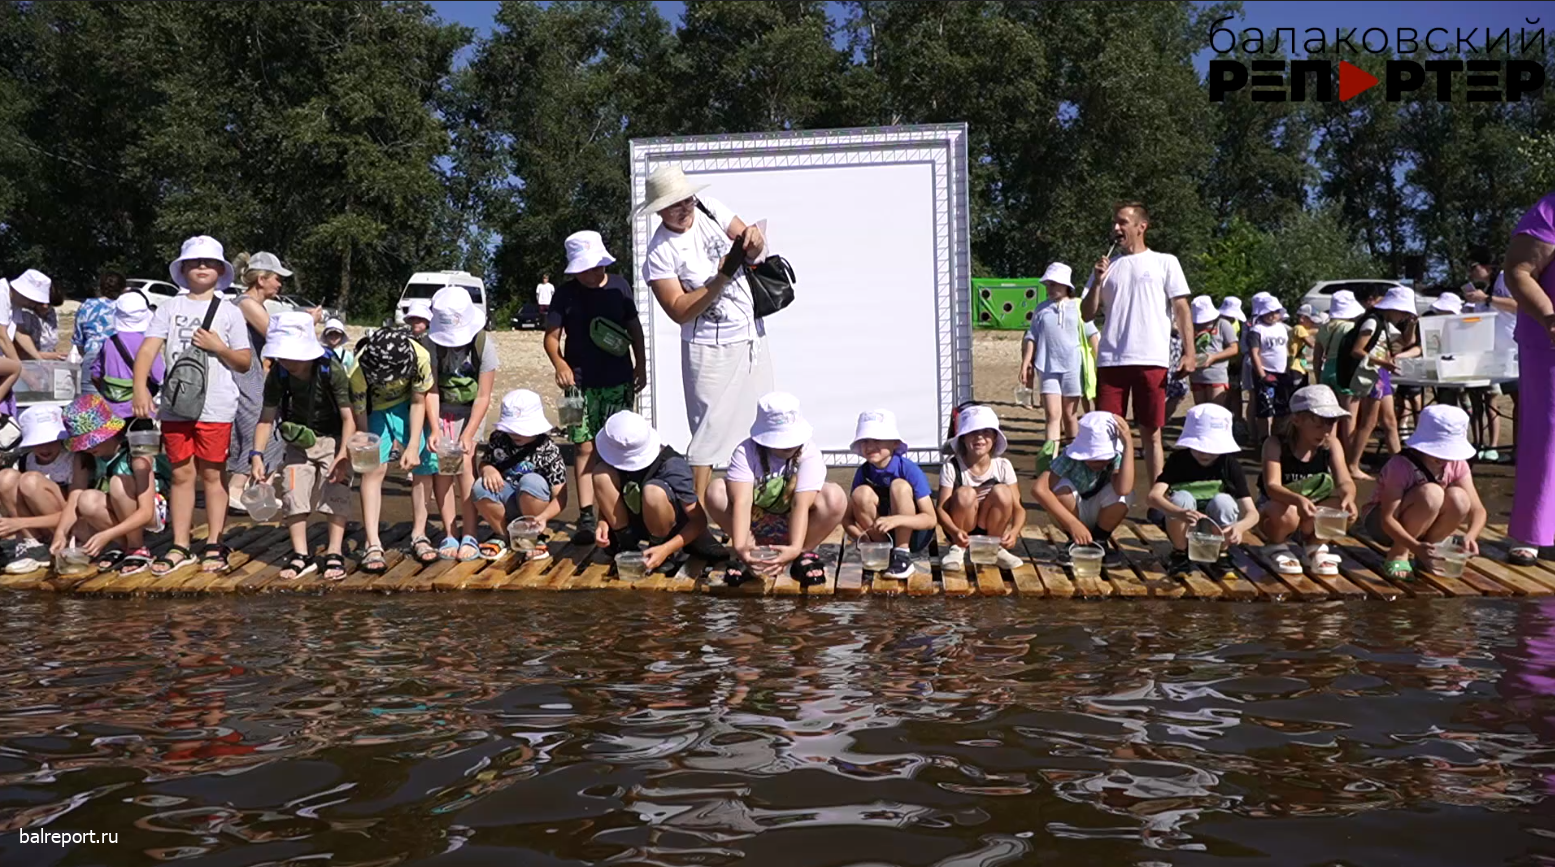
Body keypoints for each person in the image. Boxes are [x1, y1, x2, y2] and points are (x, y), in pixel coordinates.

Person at [639, 165, 771, 501]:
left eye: (687, 200)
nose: (685, 208)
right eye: (674, 204)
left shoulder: (710, 207)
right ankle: (694, 519)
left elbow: (754, 248)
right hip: (707, 347)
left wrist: (754, 241)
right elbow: (679, 309)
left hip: (750, 335)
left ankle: (763, 507)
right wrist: (722, 275)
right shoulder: (659, 252)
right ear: (659, 211)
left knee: (763, 419)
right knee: (707, 434)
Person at [133, 235, 253, 575]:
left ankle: (215, 541)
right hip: (175, 405)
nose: (202, 267)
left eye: (210, 262)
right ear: (183, 269)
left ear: (221, 270)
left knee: (213, 474)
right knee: (182, 474)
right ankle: (180, 544)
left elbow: (244, 361)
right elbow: (147, 350)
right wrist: (140, 388)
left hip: (216, 404)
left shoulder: (230, 311)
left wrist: (219, 347)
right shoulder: (170, 307)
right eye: (195, 262)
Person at [1080, 202, 1195, 488]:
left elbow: (1181, 308)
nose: (1116, 228)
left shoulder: (1165, 262)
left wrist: (1189, 353)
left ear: (1141, 226)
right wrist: (1096, 282)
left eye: (1123, 223)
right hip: (1111, 360)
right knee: (1106, 432)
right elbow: (1086, 313)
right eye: (1115, 224)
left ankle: (1157, 496)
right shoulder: (1107, 267)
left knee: (1152, 432)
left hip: (1151, 358)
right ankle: (1107, 493)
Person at [544, 230, 645, 546]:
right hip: (576, 386)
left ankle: (614, 514)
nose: (594, 272)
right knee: (583, 447)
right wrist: (560, 364)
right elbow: (550, 338)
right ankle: (586, 514)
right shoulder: (564, 294)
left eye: (598, 265)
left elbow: (634, 329)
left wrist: (640, 364)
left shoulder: (619, 286)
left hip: (618, 379)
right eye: (586, 268)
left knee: (616, 445)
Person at [250, 311, 355, 581]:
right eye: (282, 355)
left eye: (291, 355)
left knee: (336, 492)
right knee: (292, 489)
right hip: (298, 439)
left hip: (334, 438)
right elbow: (266, 418)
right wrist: (257, 454)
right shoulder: (279, 373)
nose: (287, 360)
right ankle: (301, 554)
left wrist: (343, 455)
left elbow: (348, 418)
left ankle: (334, 551)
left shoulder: (330, 369)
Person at [704, 392, 847, 587]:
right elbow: (742, 501)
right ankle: (751, 554)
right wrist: (739, 545)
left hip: (795, 525)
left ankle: (802, 553)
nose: (787, 445)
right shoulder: (746, 452)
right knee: (716, 491)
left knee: (834, 497)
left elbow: (800, 504)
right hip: (754, 525)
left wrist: (795, 547)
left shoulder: (809, 452)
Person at [1356, 404, 1486, 582]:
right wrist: (1414, 546)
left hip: (1423, 524)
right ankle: (1398, 553)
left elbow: (1478, 509)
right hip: (1381, 524)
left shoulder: (1457, 463)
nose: (1444, 457)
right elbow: (1388, 519)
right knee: (1432, 493)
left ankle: (1429, 551)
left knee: (1460, 498)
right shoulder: (1400, 465)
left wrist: (1471, 536)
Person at [50, 394, 171, 576]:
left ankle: (136, 547)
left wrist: (107, 535)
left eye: (94, 440)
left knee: (117, 483)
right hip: (123, 515)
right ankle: (126, 546)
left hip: (154, 513)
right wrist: (60, 533)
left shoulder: (137, 452)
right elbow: (75, 497)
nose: (89, 448)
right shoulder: (84, 457)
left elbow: (146, 512)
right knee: (86, 499)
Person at [349, 325, 436, 573]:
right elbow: (360, 412)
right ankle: (372, 542)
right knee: (373, 469)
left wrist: (412, 446)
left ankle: (419, 534)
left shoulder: (420, 357)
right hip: (375, 408)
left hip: (409, 403)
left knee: (423, 465)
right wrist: (367, 443)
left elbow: (420, 401)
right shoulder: (357, 369)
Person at [426, 285, 497, 561]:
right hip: (441, 409)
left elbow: (483, 396)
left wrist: (468, 434)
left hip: (471, 411)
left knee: (466, 464)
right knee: (442, 469)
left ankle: (470, 532)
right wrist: (433, 427)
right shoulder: (430, 344)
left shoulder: (483, 345)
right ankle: (449, 532)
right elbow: (430, 389)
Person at [591, 410, 710, 576]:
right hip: (630, 524)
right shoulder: (608, 460)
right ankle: (626, 546)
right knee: (601, 474)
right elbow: (607, 495)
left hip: (666, 529)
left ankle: (658, 549)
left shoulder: (673, 466)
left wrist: (665, 549)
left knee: (653, 492)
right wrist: (603, 521)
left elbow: (698, 520)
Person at [1256, 385, 1357, 577]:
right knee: (1289, 513)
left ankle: (1314, 547)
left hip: (1312, 514)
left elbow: (1345, 481)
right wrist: (1297, 500)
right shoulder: (1276, 444)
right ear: (1296, 420)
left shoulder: (1332, 445)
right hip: (1278, 511)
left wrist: (1348, 496)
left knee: (1346, 510)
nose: (1326, 431)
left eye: (1330, 424)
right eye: (1319, 425)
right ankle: (1275, 546)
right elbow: (1272, 486)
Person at [1148, 403, 1258, 577]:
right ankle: (1180, 553)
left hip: (1215, 532)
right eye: (1199, 447)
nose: (1205, 454)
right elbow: (1153, 496)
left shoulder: (1230, 465)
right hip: (1184, 527)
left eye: (1212, 449)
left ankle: (1222, 553)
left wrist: (1240, 527)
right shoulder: (1178, 461)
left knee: (1225, 501)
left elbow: (1252, 512)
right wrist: (1179, 512)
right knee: (1181, 497)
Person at [1505, 192, 1555, 566]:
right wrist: (1550, 317)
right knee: (1546, 433)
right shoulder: (1548, 211)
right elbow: (1519, 272)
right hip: (1548, 340)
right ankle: (1532, 532)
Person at [225, 252, 297, 512]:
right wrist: (306, 323)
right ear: (261, 279)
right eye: (277, 279)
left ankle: (256, 489)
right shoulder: (246, 303)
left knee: (270, 428)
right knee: (259, 427)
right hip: (244, 377)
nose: (280, 285)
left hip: (254, 375)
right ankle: (235, 488)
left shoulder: (256, 304)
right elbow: (275, 336)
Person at [1030, 411, 1134, 567]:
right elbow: (1039, 489)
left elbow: (1124, 489)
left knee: (1125, 494)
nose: (1097, 462)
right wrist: (1072, 523)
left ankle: (1099, 539)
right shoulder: (1069, 457)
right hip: (1072, 513)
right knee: (1062, 487)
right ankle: (1075, 541)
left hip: (1100, 512)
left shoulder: (1116, 457)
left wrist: (1128, 446)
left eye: (1102, 457)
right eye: (1091, 457)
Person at [842, 409, 937, 579]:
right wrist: (861, 538)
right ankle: (881, 550)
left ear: (894, 443)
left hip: (914, 536)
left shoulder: (908, 469)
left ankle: (902, 554)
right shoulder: (863, 472)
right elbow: (847, 519)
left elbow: (930, 519)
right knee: (861, 493)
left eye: (877, 440)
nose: (870, 446)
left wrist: (897, 520)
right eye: (865, 441)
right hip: (881, 538)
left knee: (899, 486)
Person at [473, 389, 568, 560]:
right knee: (480, 486)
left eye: (521, 429)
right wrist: (487, 469)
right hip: (506, 497)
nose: (515, 434)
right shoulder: (498, 438)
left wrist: (543, 518)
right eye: (511, 429)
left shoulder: (549, 450)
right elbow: (486, 461)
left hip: (534, 505)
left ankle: (532, 534)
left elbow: (561, 496)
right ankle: (501, 533)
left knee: (531, 481)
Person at [936, 404, 1026, 572]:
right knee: (965, 493)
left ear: (994, 438)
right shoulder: (951, 466)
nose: (980, 438)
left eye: (986, 433)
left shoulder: (1003, 465)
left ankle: (994, 547)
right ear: (962, 438)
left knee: (1003, 492)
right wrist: (955, 532)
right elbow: (940, 509)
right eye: (973, 433)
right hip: (961, 527)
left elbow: (1019, 508)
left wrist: (1014, 532)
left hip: (989, 526)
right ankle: (958, 548)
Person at [1342, 286, 1417, 480]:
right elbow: (1357, 350)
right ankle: (1352, 464)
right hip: (1373, 371)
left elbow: (1406, 341)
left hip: (1380, 372)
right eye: (1403, 312)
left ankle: (1399, 464)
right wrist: (1383, 362)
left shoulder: (1384, 322)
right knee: (1369, 421)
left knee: (1389, 420)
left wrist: (1411, 323)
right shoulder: (1372, 322)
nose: (1403, 316)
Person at [1020, 262, 1097, 445]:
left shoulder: (1079, 306)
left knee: (1070, 415)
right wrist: (1025, 364)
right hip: (1047, 367)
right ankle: (1050, 463)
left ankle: (1073, 457)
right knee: (1052, 415)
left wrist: (1099, 363)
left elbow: (1092, 336)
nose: (1050, 288)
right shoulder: (1041, 309)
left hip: (1073, 366)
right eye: (1048, 284)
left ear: (1066, 285)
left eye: (1054, 283)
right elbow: (1032, 337)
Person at [0, 405, 76, 573]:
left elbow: (75, 513)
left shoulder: (73, 460)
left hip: (68, 525)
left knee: (30, 480)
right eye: (38, 442)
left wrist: (19, 523)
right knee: (5, 477)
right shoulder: (24, 461)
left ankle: (57, 542)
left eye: (50, 441)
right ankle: (32, 543)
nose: (45, 448)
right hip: (37, 525)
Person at [1464, 245, 1517, 461]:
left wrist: (1486, 299)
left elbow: (1519, 304)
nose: (1470, 272)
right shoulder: (1487, 289)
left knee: (1521, 402)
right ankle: (1517, 450)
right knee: (1517, 403)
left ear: (1486, 266)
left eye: (1473, 267)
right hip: (1498, 356)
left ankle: (1519, 451)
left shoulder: (1504, 279)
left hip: (1515, 351)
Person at [89, 292, 163, 418]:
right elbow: (158, 376)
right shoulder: (148, 344)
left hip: (111, 410)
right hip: (141, 409)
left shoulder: (109, 342)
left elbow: (95, 374)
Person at [1314, 289, 1364, 448]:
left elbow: (1317, 357)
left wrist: (1318, 378)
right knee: (1349, 421)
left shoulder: (1323, 328)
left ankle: (1329, 455)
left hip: (1326, 372)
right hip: (1345, 373)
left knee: (1331, 421)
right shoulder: (1351, 328)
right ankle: (1349, 461)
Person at [1247, 293, 1296, 442]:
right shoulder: (1257, 330)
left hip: (1282, 372)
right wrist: (1262, 374)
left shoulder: (1282, 328)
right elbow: (1254, 353)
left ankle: (1277, 437)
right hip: (1265, 371)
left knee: (1282, 407)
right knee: (1264, 408)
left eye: (1275, 312)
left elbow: (1286, 349)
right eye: (1268, 312)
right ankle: (1263, 438)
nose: (1272, 315)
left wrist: (1288, 368)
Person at [74, 272, 125, 393]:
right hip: (118, 358)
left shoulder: (86, 306)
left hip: (92, 355)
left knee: (91, 408)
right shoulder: (123, 307)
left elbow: (79, 339)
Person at [1188, 296, 1238, 409]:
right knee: (1200, 409)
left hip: (1217, 374)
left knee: (1216, 409)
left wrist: (1214, 357)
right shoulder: (1192, 325)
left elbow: (1234, 348)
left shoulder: (1222, 324)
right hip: (1196, 375)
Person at [10, 269, 63, 360]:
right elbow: (17, 347)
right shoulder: (24, 313)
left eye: (49, 303)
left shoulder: (52, 315)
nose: (45, 306)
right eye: (42, 302)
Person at [1220, 296, 1248, 430]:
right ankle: (1224, 418)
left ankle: (1237, 419)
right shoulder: (1218, 322)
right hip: (1221, 362)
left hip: (1235, 363)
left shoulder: (1238, 323)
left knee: (1236, 392)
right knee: (1224, 393)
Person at [1291, 304, 1320, 384]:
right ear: (1302, 319)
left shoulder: (1299, 330)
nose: (1313, 324)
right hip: (1295, 367)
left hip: (1300, 366)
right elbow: (1312, 344)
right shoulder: (1299, 328)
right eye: (1312, 321)